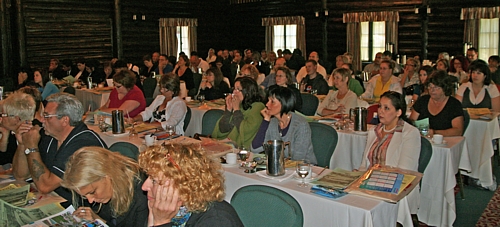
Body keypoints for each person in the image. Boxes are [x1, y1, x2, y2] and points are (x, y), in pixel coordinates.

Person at [13, 93, 107, 207]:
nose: (42, 120)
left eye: (47, 116)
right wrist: (23, 144)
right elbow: (20, 175)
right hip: (57, 200)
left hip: (85, 208)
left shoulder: (83, 143)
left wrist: (32, 147)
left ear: (64, 120)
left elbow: (45, 186)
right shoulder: (51, 136)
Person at [138, 143, 244, 227]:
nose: (144, 187)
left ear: (182, 185)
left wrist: (161, 223)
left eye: (154, 181)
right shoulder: (163, 209)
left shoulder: (217, 220)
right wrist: (152, 219)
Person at [357, 91, 420, 227]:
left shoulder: (410, 133)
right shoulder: (374, 131)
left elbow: (404, 172)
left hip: (395, 188)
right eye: (380, 107)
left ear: (398, 112)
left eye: (386, 108)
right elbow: (364, 165)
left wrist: (372, 182)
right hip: (370, 185)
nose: (380, 111)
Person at [61, 147, 148, 227]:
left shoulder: (142, 193)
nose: (90, 201)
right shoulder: (101, 187)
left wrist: (99, 221)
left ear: (107, 176)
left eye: (92, 192)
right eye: (84, 196)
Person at [251, 86, 317, 164]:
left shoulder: (300, 125)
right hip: (281, 167)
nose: (267, 104)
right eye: (268, 100)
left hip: (304, 169)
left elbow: (298, 159)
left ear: (284, 103)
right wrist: (265, 121)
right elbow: (255, 148)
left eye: (272, 102)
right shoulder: (272, 122)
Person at [212, 77, 265, 148]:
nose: (234, 92)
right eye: (234, 89)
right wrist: (228, 110)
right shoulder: (240, 105)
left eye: (238, 89)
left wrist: (236, 109)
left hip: (244, 149)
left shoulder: (258, 107)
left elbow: (246, 131)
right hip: (228, 145)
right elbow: (223, 129)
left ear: (247, 92)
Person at [410, 70, 464, 137]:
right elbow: (411, 122)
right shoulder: (423, 100)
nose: (432, 90)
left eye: (436, 87)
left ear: (444, 88)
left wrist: (434, 132)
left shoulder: (454, 104)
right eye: (430, 86)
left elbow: (458, 131)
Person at [0, 92, 36, 165]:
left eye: (3, 114)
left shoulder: (33, 135)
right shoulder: (12, 132)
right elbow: (4, 161)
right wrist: (5, 135)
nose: (1, 117)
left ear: (16, 119)